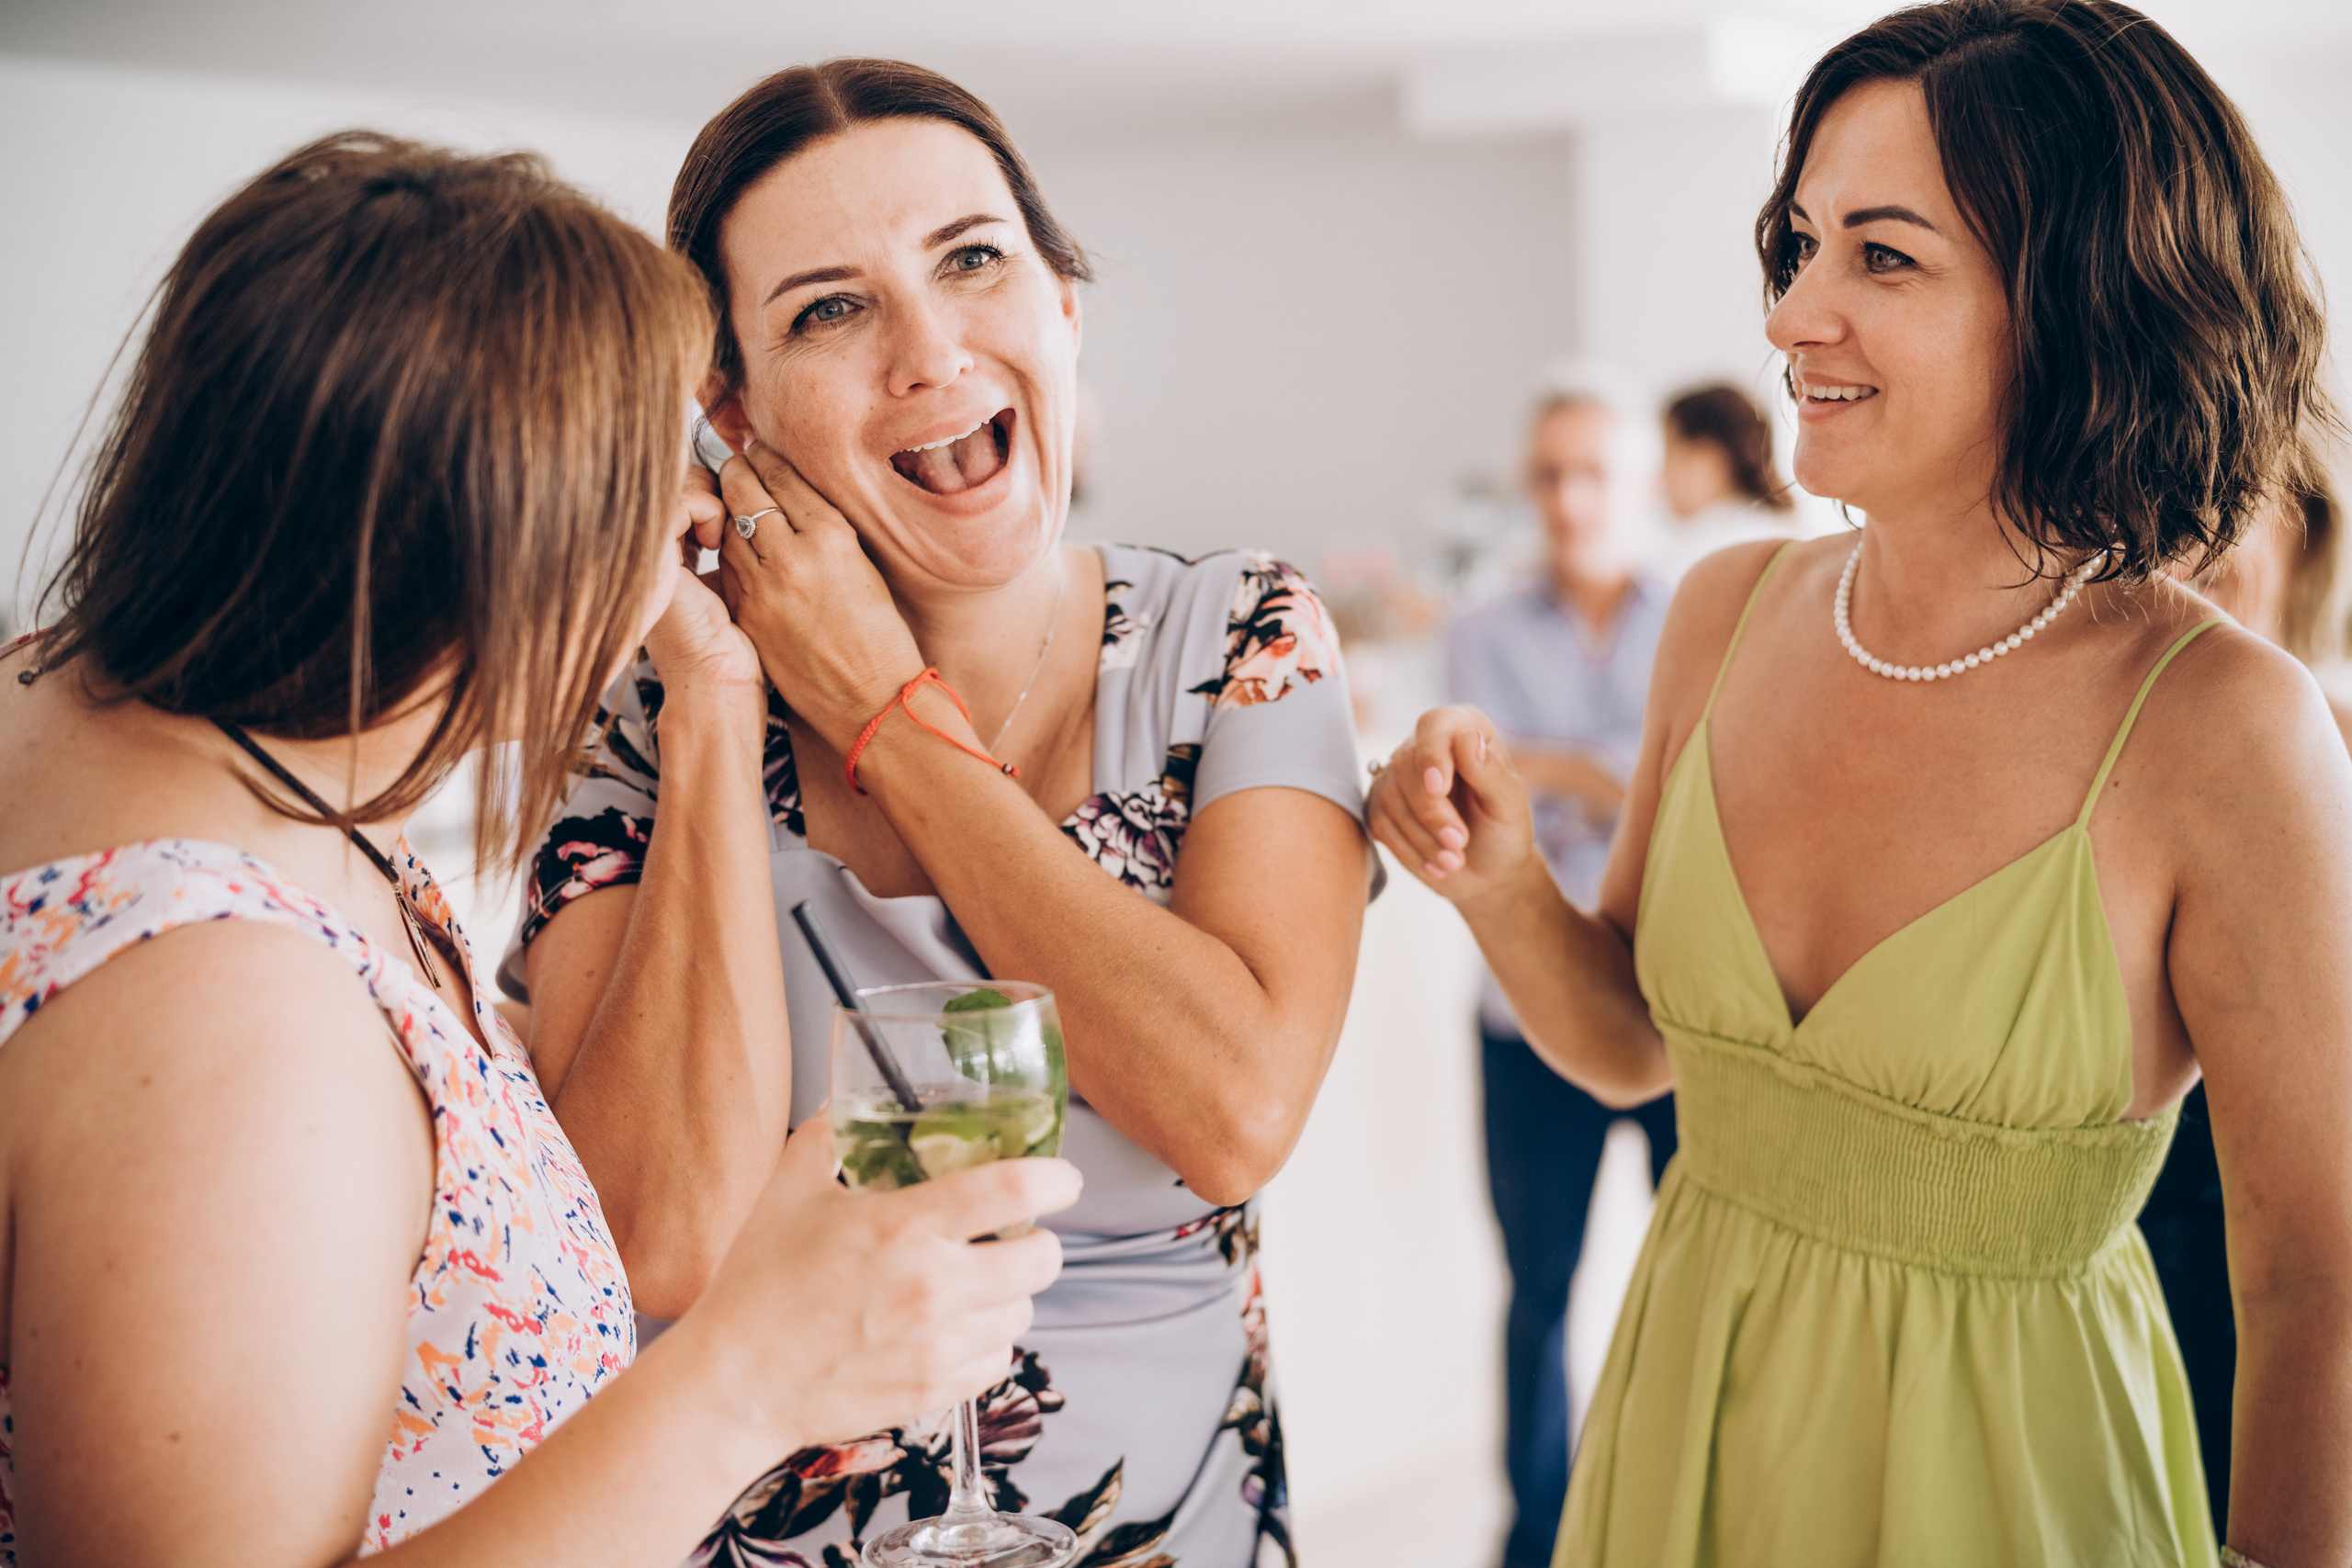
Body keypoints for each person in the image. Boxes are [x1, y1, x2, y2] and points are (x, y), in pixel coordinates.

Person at [0, 134, 1078, 1566]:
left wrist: (712, 687)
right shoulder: (223, 1016)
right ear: (505, 535)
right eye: (656, 479)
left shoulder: (103, 707)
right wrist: (752, 1370)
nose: (697, 525)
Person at [1368, 3, 2352, 1564]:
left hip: (2015, 1480)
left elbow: (2317, 1269)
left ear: (2076, 305)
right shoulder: (1726, 610)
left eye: (1882, 259)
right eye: (1801, 244)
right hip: (1686, 1423)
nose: (1790, 316)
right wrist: (1496, 884)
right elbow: (1634, 1047)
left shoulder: (2228, 723)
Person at [504, 61, 1375, 1566]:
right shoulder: (647, 714)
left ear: (1063, 306)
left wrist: (889, 724)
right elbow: (653, 1240)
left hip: (1167, 1522)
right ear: (733, 410)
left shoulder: (1238, 631)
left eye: (975, 260)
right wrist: (721, 697)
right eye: (830, 309)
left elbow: (1234, 1111)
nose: (930, 351)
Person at [1445, 375, 1675, 1568]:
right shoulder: (1480, 628)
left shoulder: (1703, 612)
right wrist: (1619, 774)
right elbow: (1476, 792)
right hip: (1523, 1012)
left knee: (1700, 1291)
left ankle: (1697, 1519)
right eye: (1550, 473)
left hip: (1680, 1009)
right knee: (1536, 1294)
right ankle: (1535, 1539)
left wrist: (1565, 772)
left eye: (1594, 471)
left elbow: (1712, 790)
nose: (1570, 497)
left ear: (1641, 482)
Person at [2143, 462, 2352, 1537]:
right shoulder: (2101, 767)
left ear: (2301, 530)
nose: (2191, 525)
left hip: (2302, 1259)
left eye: (2233, 487)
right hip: (2120, 1250)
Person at [1650, 383, 1798, 581]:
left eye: (1668, 454)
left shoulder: (1699, 556)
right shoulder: (1782, 534)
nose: (1662, 475)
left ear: (1705, 459)